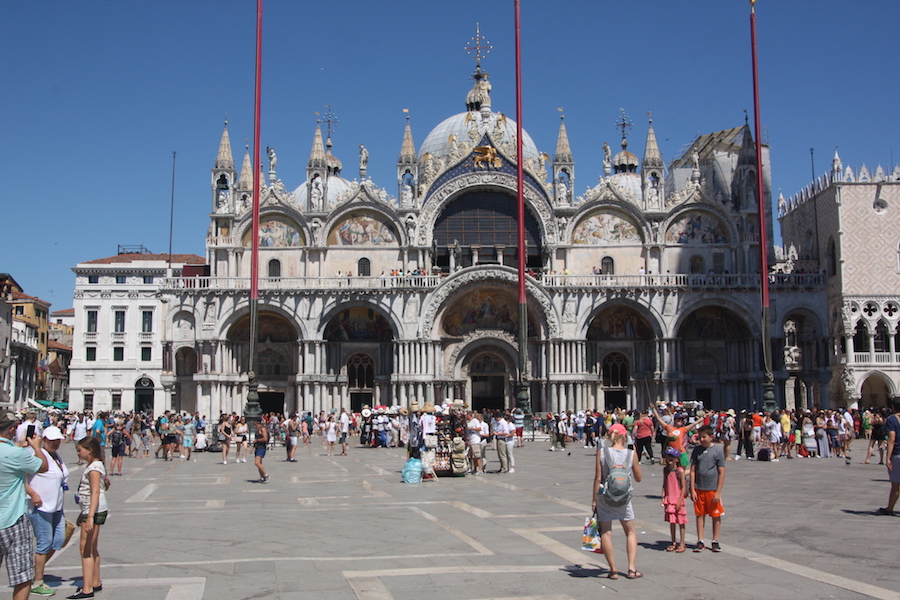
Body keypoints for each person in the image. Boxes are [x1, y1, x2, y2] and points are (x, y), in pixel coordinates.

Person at [1, 413, 50, 600]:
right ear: (12, 430)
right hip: (13, 519)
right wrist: (36, 447)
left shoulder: (15, 451)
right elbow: (43, 466)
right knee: (22, 575)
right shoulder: (17, 454)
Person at [591, 423, 642, 580]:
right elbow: (639, 478)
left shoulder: (602, 453)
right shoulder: (631, 453)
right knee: (631, 532)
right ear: (625, 436)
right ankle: (631, 569)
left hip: (605, 497)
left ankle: (613, 570)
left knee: (606, 532)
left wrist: (594, 501)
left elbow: (598, 479)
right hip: (624, 498)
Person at [25, 426, 69, 597]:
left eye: (57, 440)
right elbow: (21, 477)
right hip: (40, 505)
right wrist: (32, 493)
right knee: (45, 542)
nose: (55, 443)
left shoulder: (56, 456)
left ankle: (35, 569)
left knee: (58, 540)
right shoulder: (34, 453)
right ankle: (37, 581)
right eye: (51, 440)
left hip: (56, 506)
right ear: (43, 440)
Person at [71, 436, 109, 599]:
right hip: (93, 509)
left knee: (85, 549)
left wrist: (90, 516)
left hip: (94, 510)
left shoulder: (94, 468)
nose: (78, 453)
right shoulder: (95, 465)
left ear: (90, 450)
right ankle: (95, 581)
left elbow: (95, 492)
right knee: (92, 547)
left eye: (80, 450)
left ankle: (87, 588)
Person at [690, 425, 725, 553]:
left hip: (712, 489)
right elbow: (693, 470)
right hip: (699, 488)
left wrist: (718, 491)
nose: (702, 440)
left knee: (716, 515)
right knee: (699, 515)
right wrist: (692, 488)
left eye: (704, 437)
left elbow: (721, 472)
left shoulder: (717, 451)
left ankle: (715, 540)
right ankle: (700, 540)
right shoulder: (697, 450)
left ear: (711, 437)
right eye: (700, 437)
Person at [661, 446, 688, 553]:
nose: (670, 459)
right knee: (672, 522)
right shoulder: (666, 470)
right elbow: (664, 484)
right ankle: (673, 542)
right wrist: (663, 497)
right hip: (669, 498)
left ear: (677, 459)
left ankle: (682, 543)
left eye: (672, 457)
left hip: (677, 498)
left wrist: (680, 501)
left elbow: (683, 487)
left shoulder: (680, 471)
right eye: (668, 456)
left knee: (681, 522)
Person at [877, 400, 900, 515]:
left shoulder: (892, 419)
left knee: (896, 484)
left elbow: (891, 439)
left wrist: (888, 458)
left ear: (893, 407)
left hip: (898, 453)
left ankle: (890, 508)